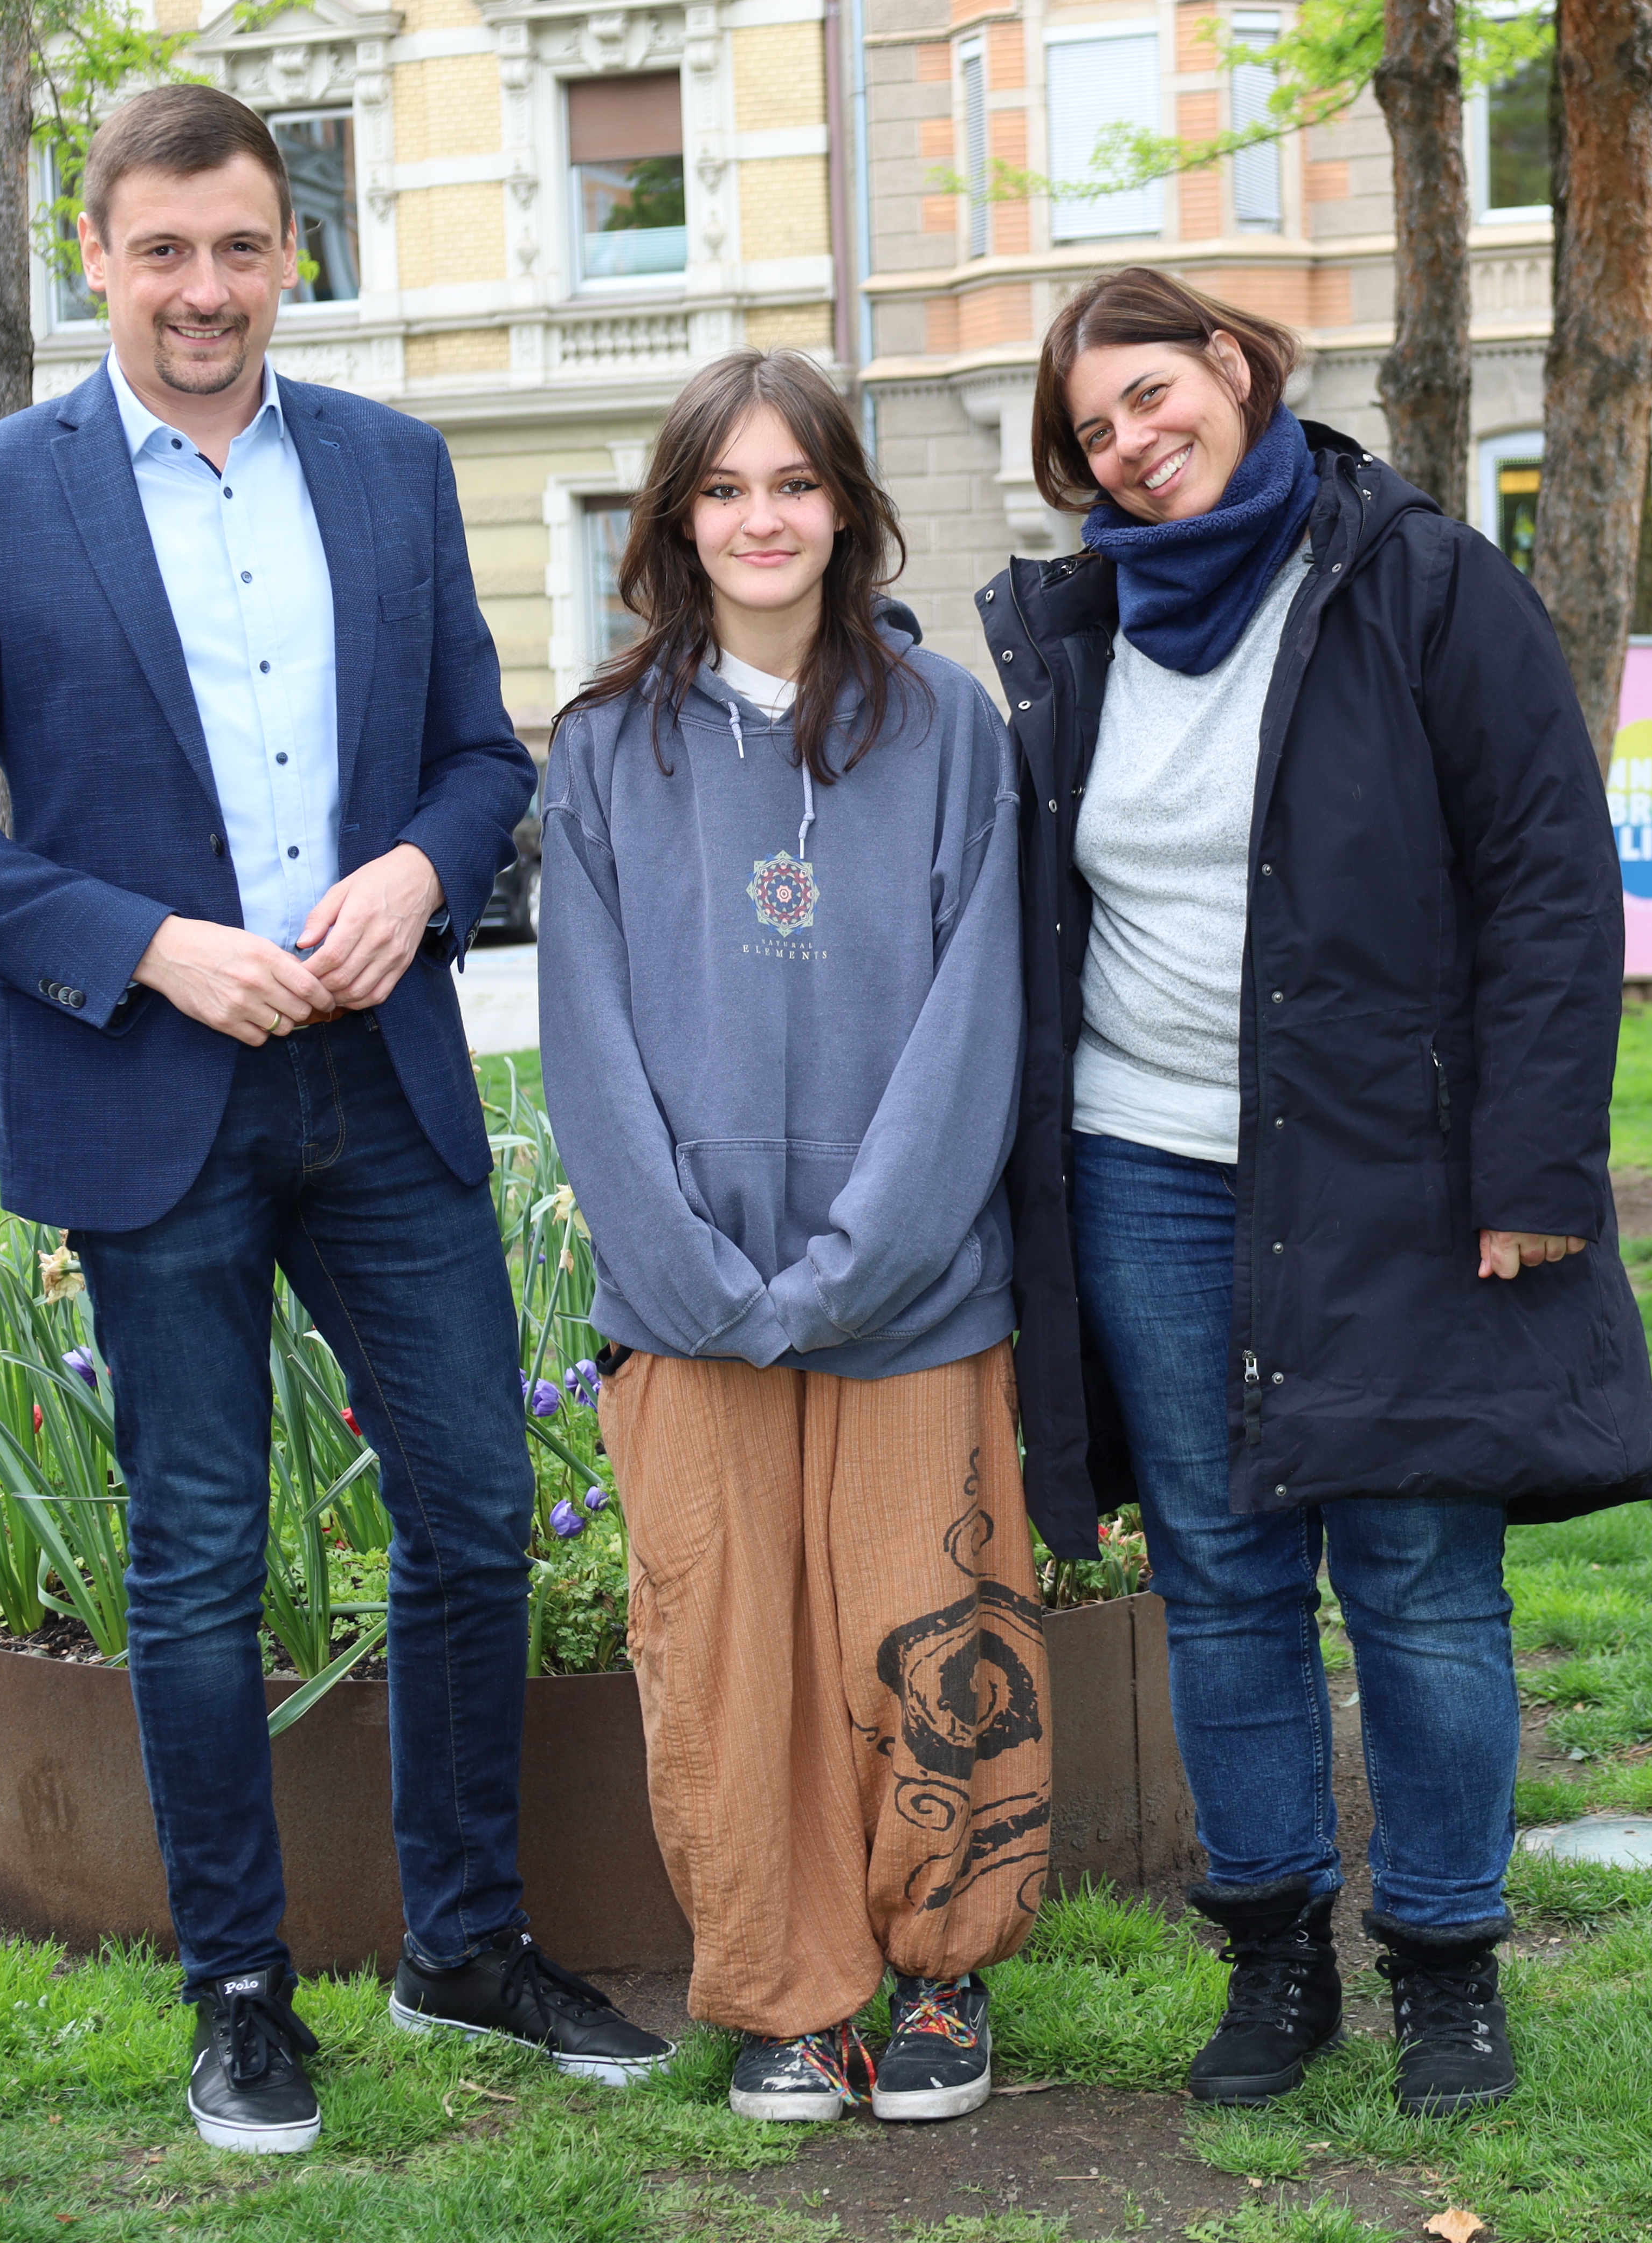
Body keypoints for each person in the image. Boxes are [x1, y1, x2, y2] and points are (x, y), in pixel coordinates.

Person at [0, 84, 669, 2154]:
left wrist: (422, 870)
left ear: (289, 250)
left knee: (476, 1514)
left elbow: (485, 758)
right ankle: (239, 1988)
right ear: (97, 259)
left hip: (380, 1080)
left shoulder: (395, 470)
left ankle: (467, 1945)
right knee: (198, 1559)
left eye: (239, 248)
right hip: (154, 1090)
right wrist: (146, 947)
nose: (203, 289)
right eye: (162, 252)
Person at [977, 269, 1652, 2119]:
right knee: (1219, 1575)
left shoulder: (1421, 579)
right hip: (1146, 1167)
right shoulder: (1080, 628)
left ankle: (1445, 1960)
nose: (1134, 444)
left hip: (1392, 1171)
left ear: (1234, 364)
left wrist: (1535, 1166)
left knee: (1424, 1573)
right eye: (1094, 434)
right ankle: (1273, 1955)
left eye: (1150, 393)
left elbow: (1546, 879)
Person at [541, 351, 1038, 2127]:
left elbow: (977, 1017)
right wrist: (689, 1271)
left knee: (924, 1626)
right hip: (687, 1302)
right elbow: (584, 1036)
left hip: (910, 1291)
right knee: (727, 1650)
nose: (763, 519)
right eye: (726, 489)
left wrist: (857, 1262)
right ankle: (783, 1995)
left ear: (847, 507)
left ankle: (938, 1974)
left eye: (795, 485)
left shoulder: (950, 728)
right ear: (679, 518)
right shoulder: (603, 748)